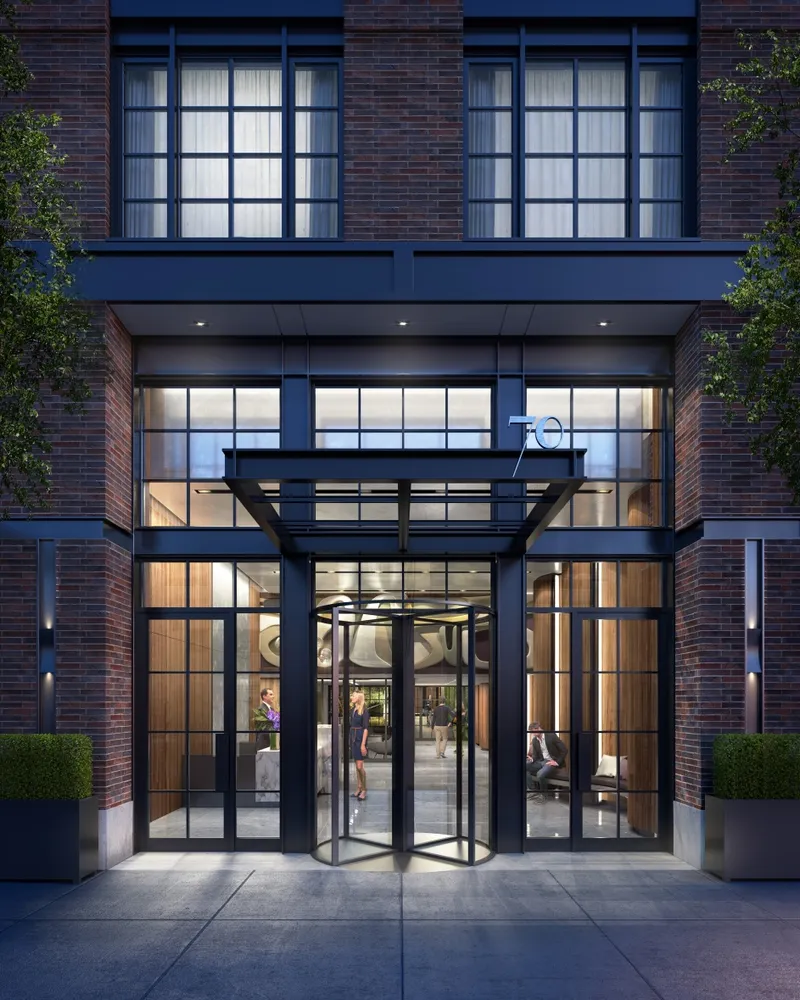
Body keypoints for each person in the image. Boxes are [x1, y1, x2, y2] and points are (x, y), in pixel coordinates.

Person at [526, 721, 567, 796]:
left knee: (540, 774)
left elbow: (564, 750)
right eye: (532, 731)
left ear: (540, 728)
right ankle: (533, 791)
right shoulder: (534, 740)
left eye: (536, 730)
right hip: (541, 761)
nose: (534, 733)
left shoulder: (551, 736)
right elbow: (535, 756)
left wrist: (557, 762)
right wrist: (531, 759)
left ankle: (543, 795)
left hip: (551, 761)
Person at [349, 691, 369, 800]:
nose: (351, 697)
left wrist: (363, 744)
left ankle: (364, 790)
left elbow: (366, 729)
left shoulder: (364, 711)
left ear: (359, 697)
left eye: (353, 695)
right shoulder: (353, 710)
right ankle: (359, 787)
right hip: (353, 737)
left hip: (360, 738)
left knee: (360, 766)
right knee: (356, 765)